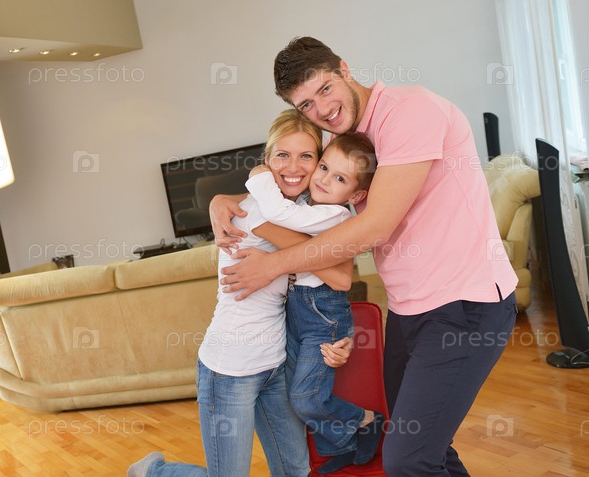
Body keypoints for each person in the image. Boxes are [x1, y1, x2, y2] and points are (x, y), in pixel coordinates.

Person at [212, 37, 519, 476]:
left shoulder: (410, 112)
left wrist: (273, 265)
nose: (322, 109)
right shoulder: (347, 140)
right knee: (429, 451)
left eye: (324, 89)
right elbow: (295, 194)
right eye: (306, 104)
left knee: (408, 459)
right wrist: (226, 199)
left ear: (344, 68)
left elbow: (376, 226)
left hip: (466, 304)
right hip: (410, 310)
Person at [128, 110, 352, 477]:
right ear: (267, 159)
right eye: (282, 155)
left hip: (275, 364)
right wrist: (231, 202)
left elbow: (322, 284)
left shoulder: (297, 210)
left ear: (318, 162)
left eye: (306, 156)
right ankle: (155, 472)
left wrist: (339, 336)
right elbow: (337, 275)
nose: (293, 167)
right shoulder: (258, 214)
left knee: (295, 472)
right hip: (230, 369)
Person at [246, 132, 383, 474]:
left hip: (323, 315)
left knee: (305, 398)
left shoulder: (336, 216)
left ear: (356, 195)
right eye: (323, 167)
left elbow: (279, 213)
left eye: (340, 178)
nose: (323, 179)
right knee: (298, 391)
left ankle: (365, 420)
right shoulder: (310, 203)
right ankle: (342, 446)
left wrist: (259, 175)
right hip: (297, 308)